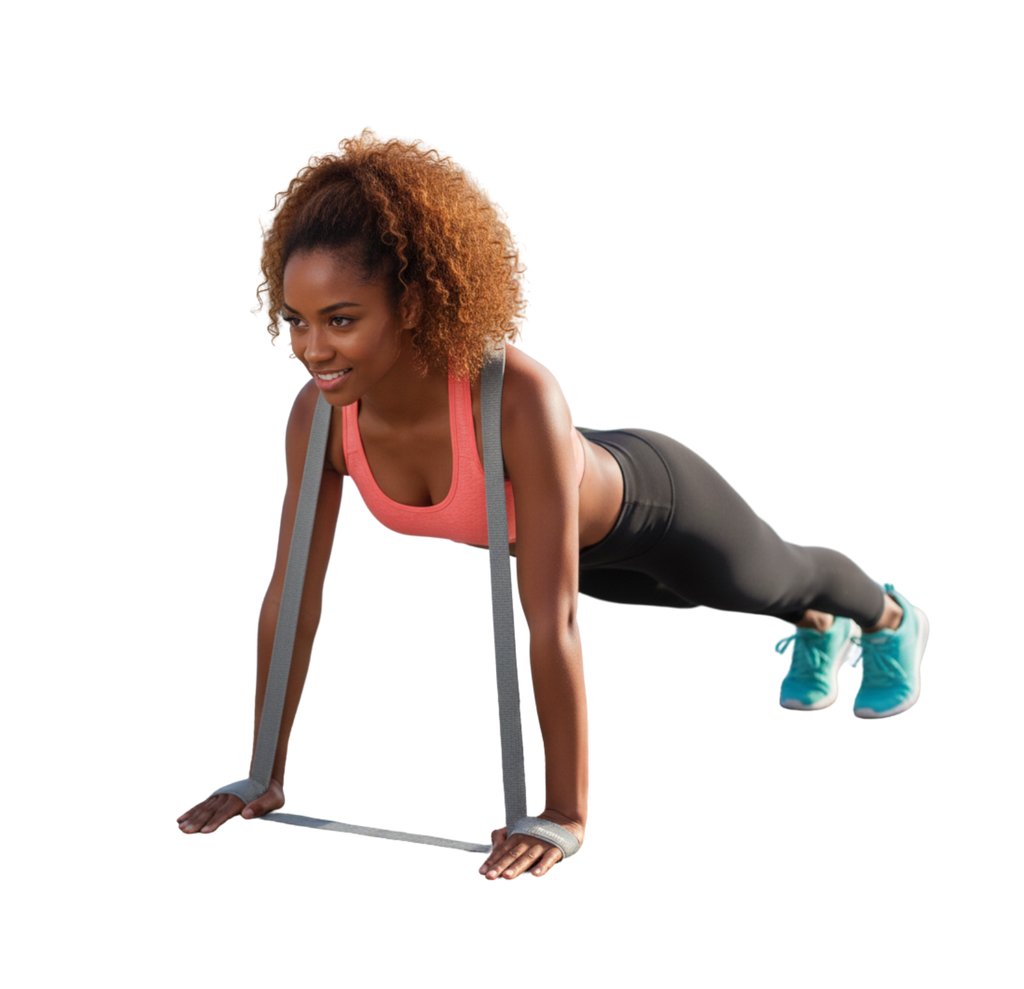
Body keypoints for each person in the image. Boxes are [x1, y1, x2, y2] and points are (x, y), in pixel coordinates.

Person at [173, 124, 933, 881]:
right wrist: (259, 773)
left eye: (341, 320)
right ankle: (815, 627)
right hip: (571, 550)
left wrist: (565, 814)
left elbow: (551, 621)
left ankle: (890, 617)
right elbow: (292, 599)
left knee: (768, 580)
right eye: (299, 322)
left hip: (656, 505)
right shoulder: (317, 416)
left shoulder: (516, 390)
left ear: (411, 303)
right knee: (692, 600)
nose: (311, 350)